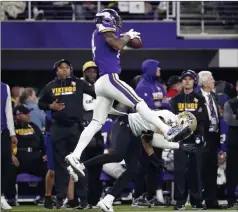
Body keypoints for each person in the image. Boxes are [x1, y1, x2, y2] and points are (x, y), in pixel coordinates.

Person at [66, 8, 190, 175]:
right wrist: (127, 36)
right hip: (110, 78)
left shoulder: (103, 36)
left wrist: (130, 39)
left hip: (102, 82)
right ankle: (167, 131)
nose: (118, 23)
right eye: (115, 20)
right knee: (139, 103)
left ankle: (75, 155)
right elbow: (117, 43)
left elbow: (124, 47)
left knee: (96, 122)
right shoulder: (104, 31)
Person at [68, 109, 197, 212]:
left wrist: (154, 158)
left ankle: (107, 200)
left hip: (135, 132)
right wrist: (178, 146)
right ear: (182, 121)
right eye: (186, 130)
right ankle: (80, 165)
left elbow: (148, 139)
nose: (184, 134)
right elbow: (157, 137)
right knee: (117, 155)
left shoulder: (169, 124)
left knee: (134, 168)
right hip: (125, 123)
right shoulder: (168, 116)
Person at [38, 59, 96, 209]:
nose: (64, 70)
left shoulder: (79, 83)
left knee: (79, 163)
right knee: (60, 165)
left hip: (75, 127)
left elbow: (96, 93)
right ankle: (60, 198)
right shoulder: (50, 86)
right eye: (61, 68)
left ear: (70, 70)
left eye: (67, 68)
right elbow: (40, 103)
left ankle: (83, 200)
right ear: (56, 71)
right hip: (58, 128)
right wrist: (50, 105)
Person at [169, 70, 208, 210]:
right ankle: (180, 202)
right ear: (181, 82)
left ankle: (196, 201)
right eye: (184, 79)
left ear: (194, 82)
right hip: (179, 141)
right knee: (180, 172)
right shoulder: (174, 100)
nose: (187, 81)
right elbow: (172, 121)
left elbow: (203, 119)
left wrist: (200, 136)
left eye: (190, 79)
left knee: (195, 172)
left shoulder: (200, 99)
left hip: (195, 140)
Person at [133, 59, 169, 207]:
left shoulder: (159, 86)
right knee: (144, 164)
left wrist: (159, 105)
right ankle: (138, 196)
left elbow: (166, 105)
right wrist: (160, 105)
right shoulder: (141, 87)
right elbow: (145, 110)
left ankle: (150, 195)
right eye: (156, 67)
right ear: (150, 69)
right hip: (146, 131)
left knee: (156, 164)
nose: (159, 69)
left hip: (159, 129)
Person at [5, 105, 47, 204]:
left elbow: (42, 143)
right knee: (8, 168)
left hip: (35, 157)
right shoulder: (11, 129)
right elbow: (5, 144)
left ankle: (43, 196)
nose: (29, 115)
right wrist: (11, 156)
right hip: (19, 158)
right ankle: (11, 198)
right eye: (26, 114)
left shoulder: (34, 126)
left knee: (49, 169)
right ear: (18, 115)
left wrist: (45, 154)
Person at [80, 61, 105, 207]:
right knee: (84, 169)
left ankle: (94, 200)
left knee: (97, 169)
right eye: (89, 71)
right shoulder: (80, 88)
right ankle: (82, 200)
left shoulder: (101, 87)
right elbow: (81, 112)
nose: (91, 74)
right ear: (84, 73)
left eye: (94, 71)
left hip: (98, 132)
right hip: (86, 131)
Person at [197, 70, 222, 209]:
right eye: (211, 79)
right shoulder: (196, 97)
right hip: (202, 136)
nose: (213, 81)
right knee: (201, 169)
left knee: (212, 169)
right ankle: (199, 200)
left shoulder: (214, 96)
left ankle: (212, 201)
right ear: (205, 82)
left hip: (213, 136)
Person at [1, 82, 18, 210]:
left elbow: (8, 111)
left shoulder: (4, 87)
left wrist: (12, 133)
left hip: (3, 131)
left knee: (6, 165)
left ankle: (1, 196)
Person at [224, 80, 238, 208]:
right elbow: (230, 121)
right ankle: (231, 198)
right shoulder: (230, 103)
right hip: (235, 141)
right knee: (232, 170)